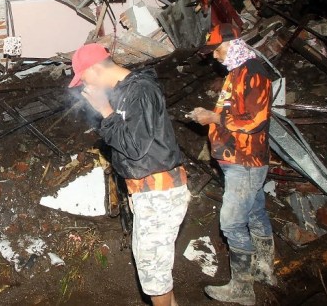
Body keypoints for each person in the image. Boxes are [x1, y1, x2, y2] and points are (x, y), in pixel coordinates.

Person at [70, 43, 190, 306]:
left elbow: (135, 147)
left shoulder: (141, 91)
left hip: (161, 193)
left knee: (153, 273)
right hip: (149, 193)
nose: (83, 85)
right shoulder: (125, 93)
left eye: (83, 77)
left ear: (94, 68)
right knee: (153, 267)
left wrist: (105, 112)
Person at [189, 23, 276, 305]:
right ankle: (265, 268)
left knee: (231, 222)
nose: (214, 56)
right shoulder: (237, 72)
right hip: (236, 159)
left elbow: (255, 121)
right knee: (254, 213)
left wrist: (213, 119)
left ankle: (242, 289)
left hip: (245, 161)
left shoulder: (253, 72)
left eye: (216, 49)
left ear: (232, 44)